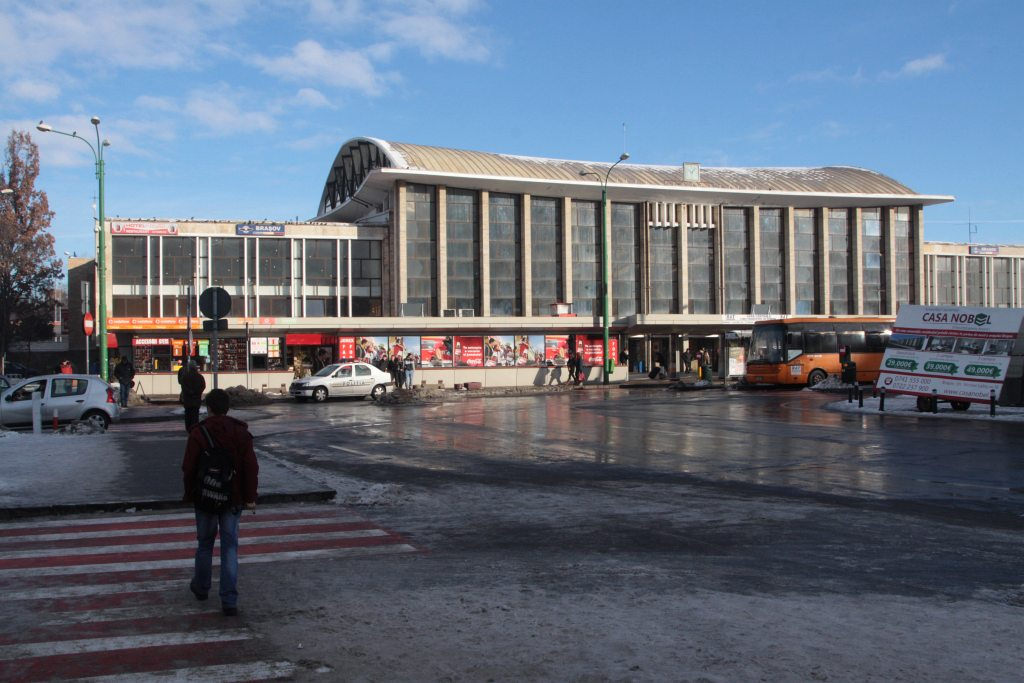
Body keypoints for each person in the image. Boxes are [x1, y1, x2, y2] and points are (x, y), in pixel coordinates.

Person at [181, 389, 259, 617]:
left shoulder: (199, 433)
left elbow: (188, 467)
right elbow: (251, 467)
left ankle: (202, 588)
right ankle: (229, 600)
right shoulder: (240, 433)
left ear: (208, 408)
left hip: (205, 496)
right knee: (230, 547)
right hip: (232, 497)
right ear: (227, 408)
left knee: (205, 544)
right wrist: (250, 497)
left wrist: (190, 494)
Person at [178, 359, 207, 432]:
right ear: (195, 367)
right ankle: (195, 429)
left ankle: (189, 429)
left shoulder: (185, 377)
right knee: (195, 415)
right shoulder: (200, 377)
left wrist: (189, 392)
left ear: (189, 367)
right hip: (196, 400)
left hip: (188, 400)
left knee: (188, 415)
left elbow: (183, 386)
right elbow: (203, 386)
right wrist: (197, 392)